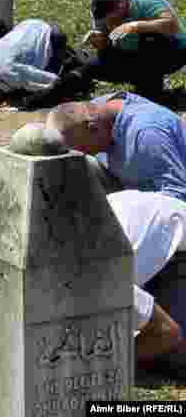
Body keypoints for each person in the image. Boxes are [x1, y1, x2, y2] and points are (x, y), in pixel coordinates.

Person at [46, 94, 186, 203]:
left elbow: (178, 195)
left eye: (83, 148)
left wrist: (127, 208)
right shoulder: (98, 110)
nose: (83, 153)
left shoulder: (147, 135)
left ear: (92, 128)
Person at [107, 190, 186, 370]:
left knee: (173, 356)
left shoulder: (105, 284)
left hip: (174, 235)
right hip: (139, 211)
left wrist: (107, 365)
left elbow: (167, 332)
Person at [80, 0, 186, 100]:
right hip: (133, 54)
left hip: (173, 50)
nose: (110, 24)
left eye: (112, 20)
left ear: (120, 6)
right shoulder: (106, 13)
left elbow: (171, 25)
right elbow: (109, 51)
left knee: (150, 38)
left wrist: (135, 26)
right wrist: (102, 44)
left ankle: (151, 93)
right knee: (88, 66)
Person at [0, 19, 65, 110]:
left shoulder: (11, 76)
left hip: (48, 33)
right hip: (26, 25)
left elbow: (50, 81)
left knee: (52, 86)